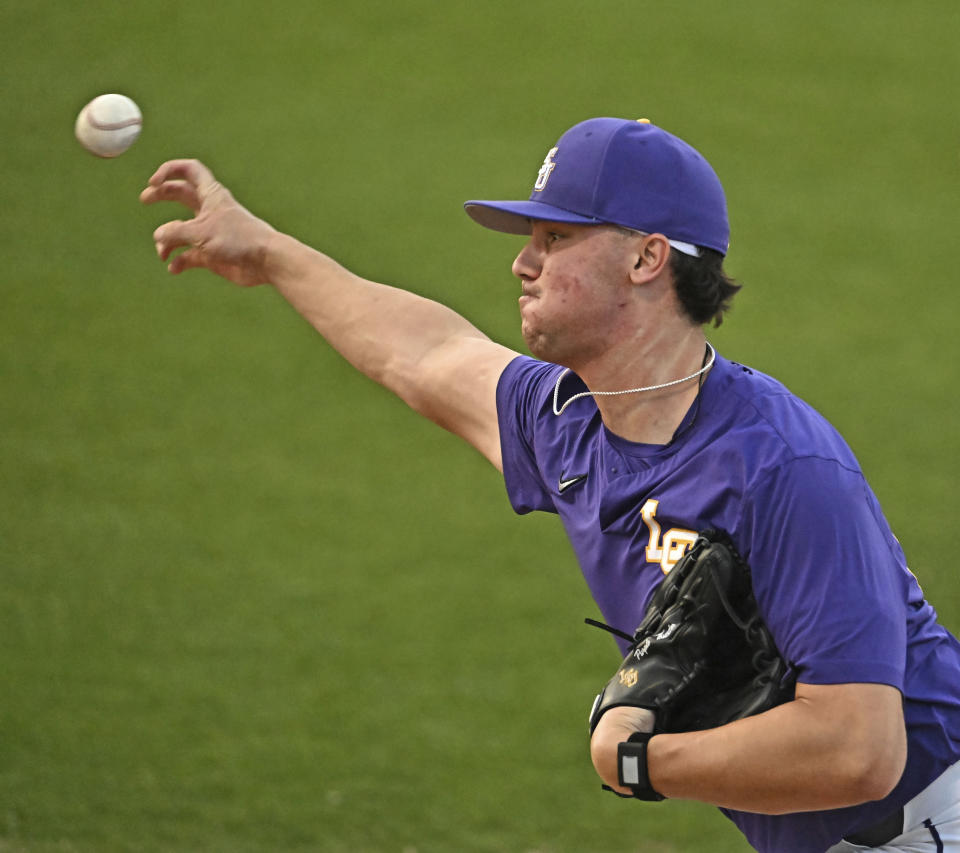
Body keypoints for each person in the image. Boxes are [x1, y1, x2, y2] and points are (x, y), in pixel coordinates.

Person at [140, 117, 960, 853]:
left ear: (647, 257)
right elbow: (423, 355)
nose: (522, 261)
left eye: (556, 239)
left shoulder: (782, 468)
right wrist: (270, 251)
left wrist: (639, 758)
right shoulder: (568, 418)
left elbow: (861, 748)